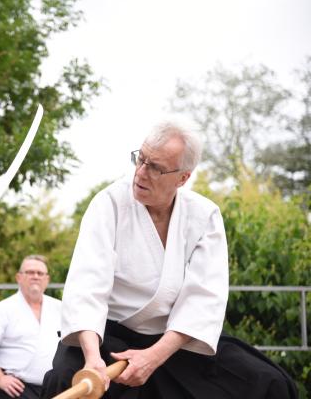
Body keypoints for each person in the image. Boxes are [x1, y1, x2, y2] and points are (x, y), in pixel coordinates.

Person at [40, 122, 298, 398]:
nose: (141, 173)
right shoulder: (110, 204)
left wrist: (153, 357)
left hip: (175, 343)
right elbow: (87, 286)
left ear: (183, 178)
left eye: (155, 168)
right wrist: (92, 359)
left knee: (267, 382)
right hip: (105, 340)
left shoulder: (204, 216)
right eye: (141, 160)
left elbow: (203, 299)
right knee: (64, 382)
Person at [0, 255, 62, 398]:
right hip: (16, 389)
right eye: (30, 272)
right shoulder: (2, 309)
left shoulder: (59, 308)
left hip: (53, 389)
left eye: (40, 273)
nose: (35, 276)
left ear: (47, 279)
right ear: (19, 277)